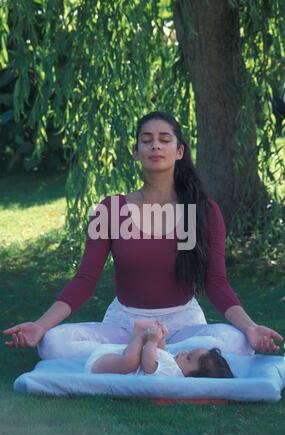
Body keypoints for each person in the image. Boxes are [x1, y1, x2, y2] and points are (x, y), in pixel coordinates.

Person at [2, 111, 283, 358]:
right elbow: (85, 280)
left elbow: (217, 283)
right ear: (136, 151)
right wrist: (40, 325)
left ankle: (137, 357)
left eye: (164, 139)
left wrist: (250, 328)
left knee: (238, 341)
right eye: (146, 140)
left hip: (182, 325)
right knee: (52, 343)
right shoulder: (110, 209)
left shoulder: (202, 211)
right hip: (125, 326)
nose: (155, 145)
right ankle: (155, 355)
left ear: (180, 151)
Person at [85, 320, 234, 379]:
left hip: (100, 364)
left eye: (189, 357)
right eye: (189, 352)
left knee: (131, 361)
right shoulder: (175, 367)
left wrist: (151, 340)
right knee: (131, 360)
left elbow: (149, 364)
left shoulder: (174, 372)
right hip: (108, 359)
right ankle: (139, 332)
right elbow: (160, 354)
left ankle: (140, 332)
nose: (184, 352)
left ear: (193, 376)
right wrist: (161, 338)